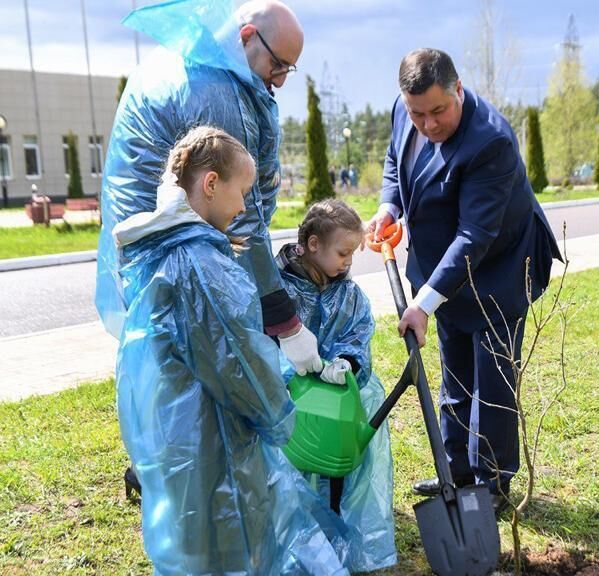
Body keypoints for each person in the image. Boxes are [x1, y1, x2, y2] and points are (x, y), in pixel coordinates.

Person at [112, 126, 346, 575]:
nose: (243, 206)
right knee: (228, 537)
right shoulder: (199, 264)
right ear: (211, 184)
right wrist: (279, 415)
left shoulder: (161, 251)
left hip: (173, 427)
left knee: (189, 539)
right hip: (211, 432)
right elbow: (237, 359)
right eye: (241, 191)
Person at [365, 48, 562, 513]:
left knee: (492, 382)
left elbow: (475, 236)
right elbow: (395, 162)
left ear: (458, 88)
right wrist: (388, 207)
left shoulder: (490, 140)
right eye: (418, 113)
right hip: (443, 265)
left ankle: (492, 487)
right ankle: (454, 472)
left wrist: (424, 304)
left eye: (438, 111)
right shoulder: (404, 110)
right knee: (455, 373)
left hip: (498, 265)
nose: (428, 124)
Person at [97, 0, 323, 376]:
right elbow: (243, 218)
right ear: (247, 36)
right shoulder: (215, 92)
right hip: (172, 263)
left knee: (171, 369)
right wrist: (286, 323)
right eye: (278, 64)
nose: (281, 79)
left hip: (147, 263)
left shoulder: (191, 62)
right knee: (206, 383)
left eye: (289, 68)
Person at [275, 199, 397, 573]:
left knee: (340, 465)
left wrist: (347, 362)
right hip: (291, 401)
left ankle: (341, 531)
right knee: (290, 471)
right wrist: (294, 372)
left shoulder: (348, 294)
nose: (348, 262)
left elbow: (357, 334)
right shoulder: (277, 291)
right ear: (314, 245)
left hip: (338, 403)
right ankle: (294, 536)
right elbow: (261, 341)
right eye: (343, 253)